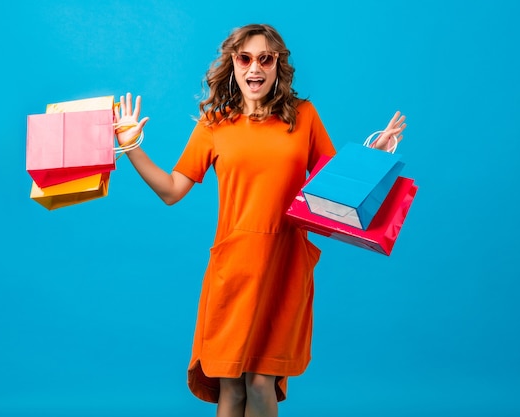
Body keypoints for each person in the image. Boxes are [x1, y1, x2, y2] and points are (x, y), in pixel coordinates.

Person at [114, 23, 406, 417]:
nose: (255, 67)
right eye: (245, 58)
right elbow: (171, 190)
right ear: (233, 63)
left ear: (277, 66)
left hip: (285, 265)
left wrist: (375, 156)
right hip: (233, 268)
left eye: (265, 58)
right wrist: (131, 147)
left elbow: (336, 195)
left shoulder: (303, 117)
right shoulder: (214, 125)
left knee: (261, 381)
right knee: (230, 385)